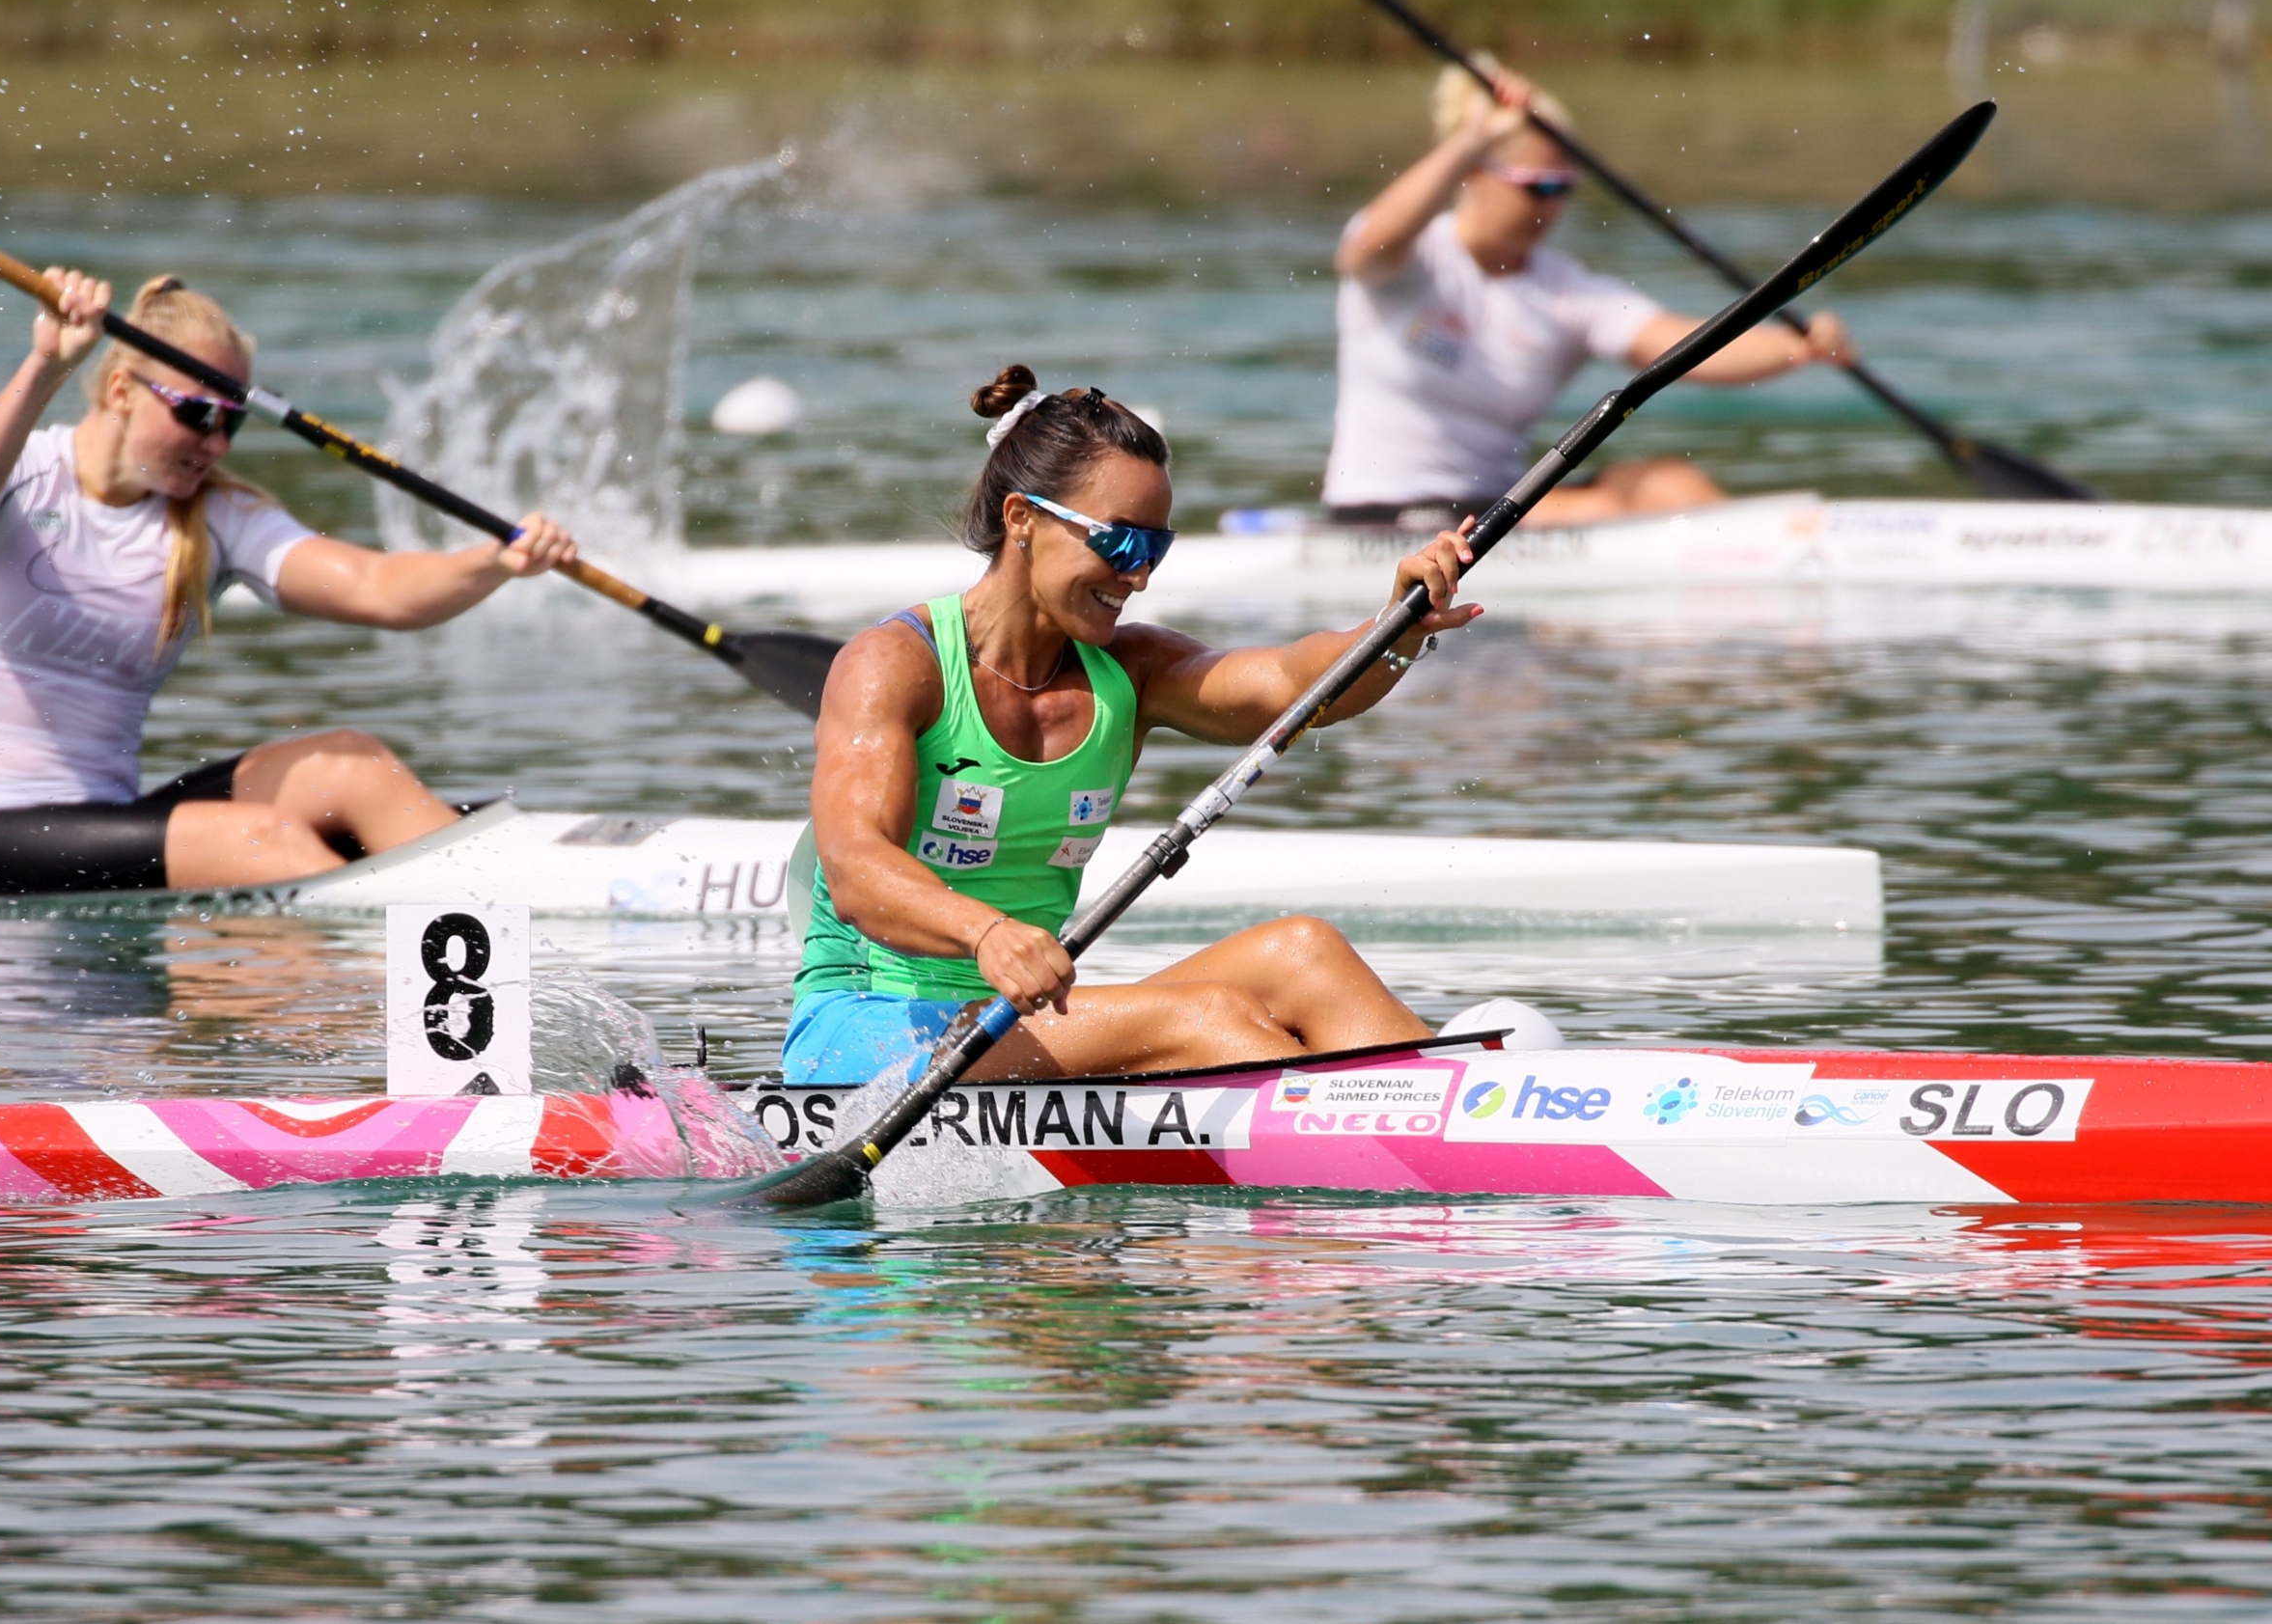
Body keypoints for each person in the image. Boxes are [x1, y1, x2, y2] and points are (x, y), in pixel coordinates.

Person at [785, 364, 1481, 1087]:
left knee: (1305, 952)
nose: (1139, 575)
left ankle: (1468, 1116)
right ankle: (1375, 1145)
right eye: (1118, 544)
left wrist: (1398, 627)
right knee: (1207, 1018)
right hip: (865, 1032)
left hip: (1018, 1023)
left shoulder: (1131, 669)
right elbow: (857, 870)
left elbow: (1298, 684)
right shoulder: (897, 664)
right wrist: (985, 932)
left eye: (1156, 548)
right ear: (1022, 518)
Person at [0, 269, 579, 896]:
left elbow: (379, 588)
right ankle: (401, 1004)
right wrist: (45, 365)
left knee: (354, 767)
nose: (215, 442)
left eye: (232, 421)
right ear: (121, 390)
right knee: (260, 841)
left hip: (109, 822)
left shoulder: (216, 516)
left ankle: (506, 942)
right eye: (196, 413)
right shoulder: (19, 465)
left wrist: (492, 561)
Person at [1323, 60, 1856, 528]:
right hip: (1387, 515)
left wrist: (1797, 348)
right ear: (1476, 175)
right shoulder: (1411, 259)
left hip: (1494, 511)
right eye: (1538, 186)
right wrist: (1469, 141)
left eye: (1564, 189)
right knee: (1617, 511)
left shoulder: (1565, 291)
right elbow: (1362, 247)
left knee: (1671, 485)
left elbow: (1680, 346)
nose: (1552, 207)